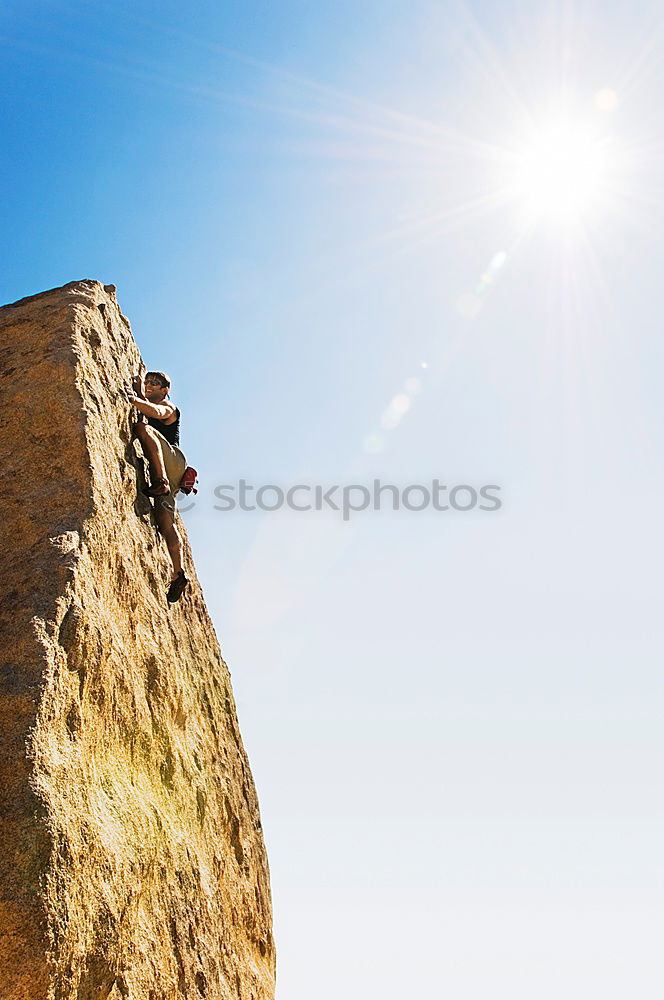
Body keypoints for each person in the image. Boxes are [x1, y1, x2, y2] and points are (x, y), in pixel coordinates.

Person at [127, 370, 189, 603]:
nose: (150, 385)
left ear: (165, 390)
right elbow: (146, 405)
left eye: (155, 383)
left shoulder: (168, 406)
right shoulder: (147, 399)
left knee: (142, 428)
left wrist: (135, 398)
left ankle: (160, 481)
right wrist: (138, 390)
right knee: (165, 522)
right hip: (167, 467)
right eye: (148, 382)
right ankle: (178, 573)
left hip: (172, 461)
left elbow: (156, 411)